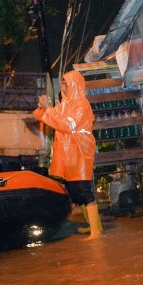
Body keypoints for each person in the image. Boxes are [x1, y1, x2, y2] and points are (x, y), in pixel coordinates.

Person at [34, 70, 103, 240]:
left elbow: (66, 125)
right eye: (62, 83)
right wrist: (44, 107)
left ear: (75, 85)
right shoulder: (65, 105)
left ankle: (96, 230)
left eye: (66, 83)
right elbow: (49, 118)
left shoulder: (82, 104)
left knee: (84, 189)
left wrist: (49, 108)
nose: (63, 87)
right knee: (75, 191)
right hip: (67, 153)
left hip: (80, 151)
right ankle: (93, 226)